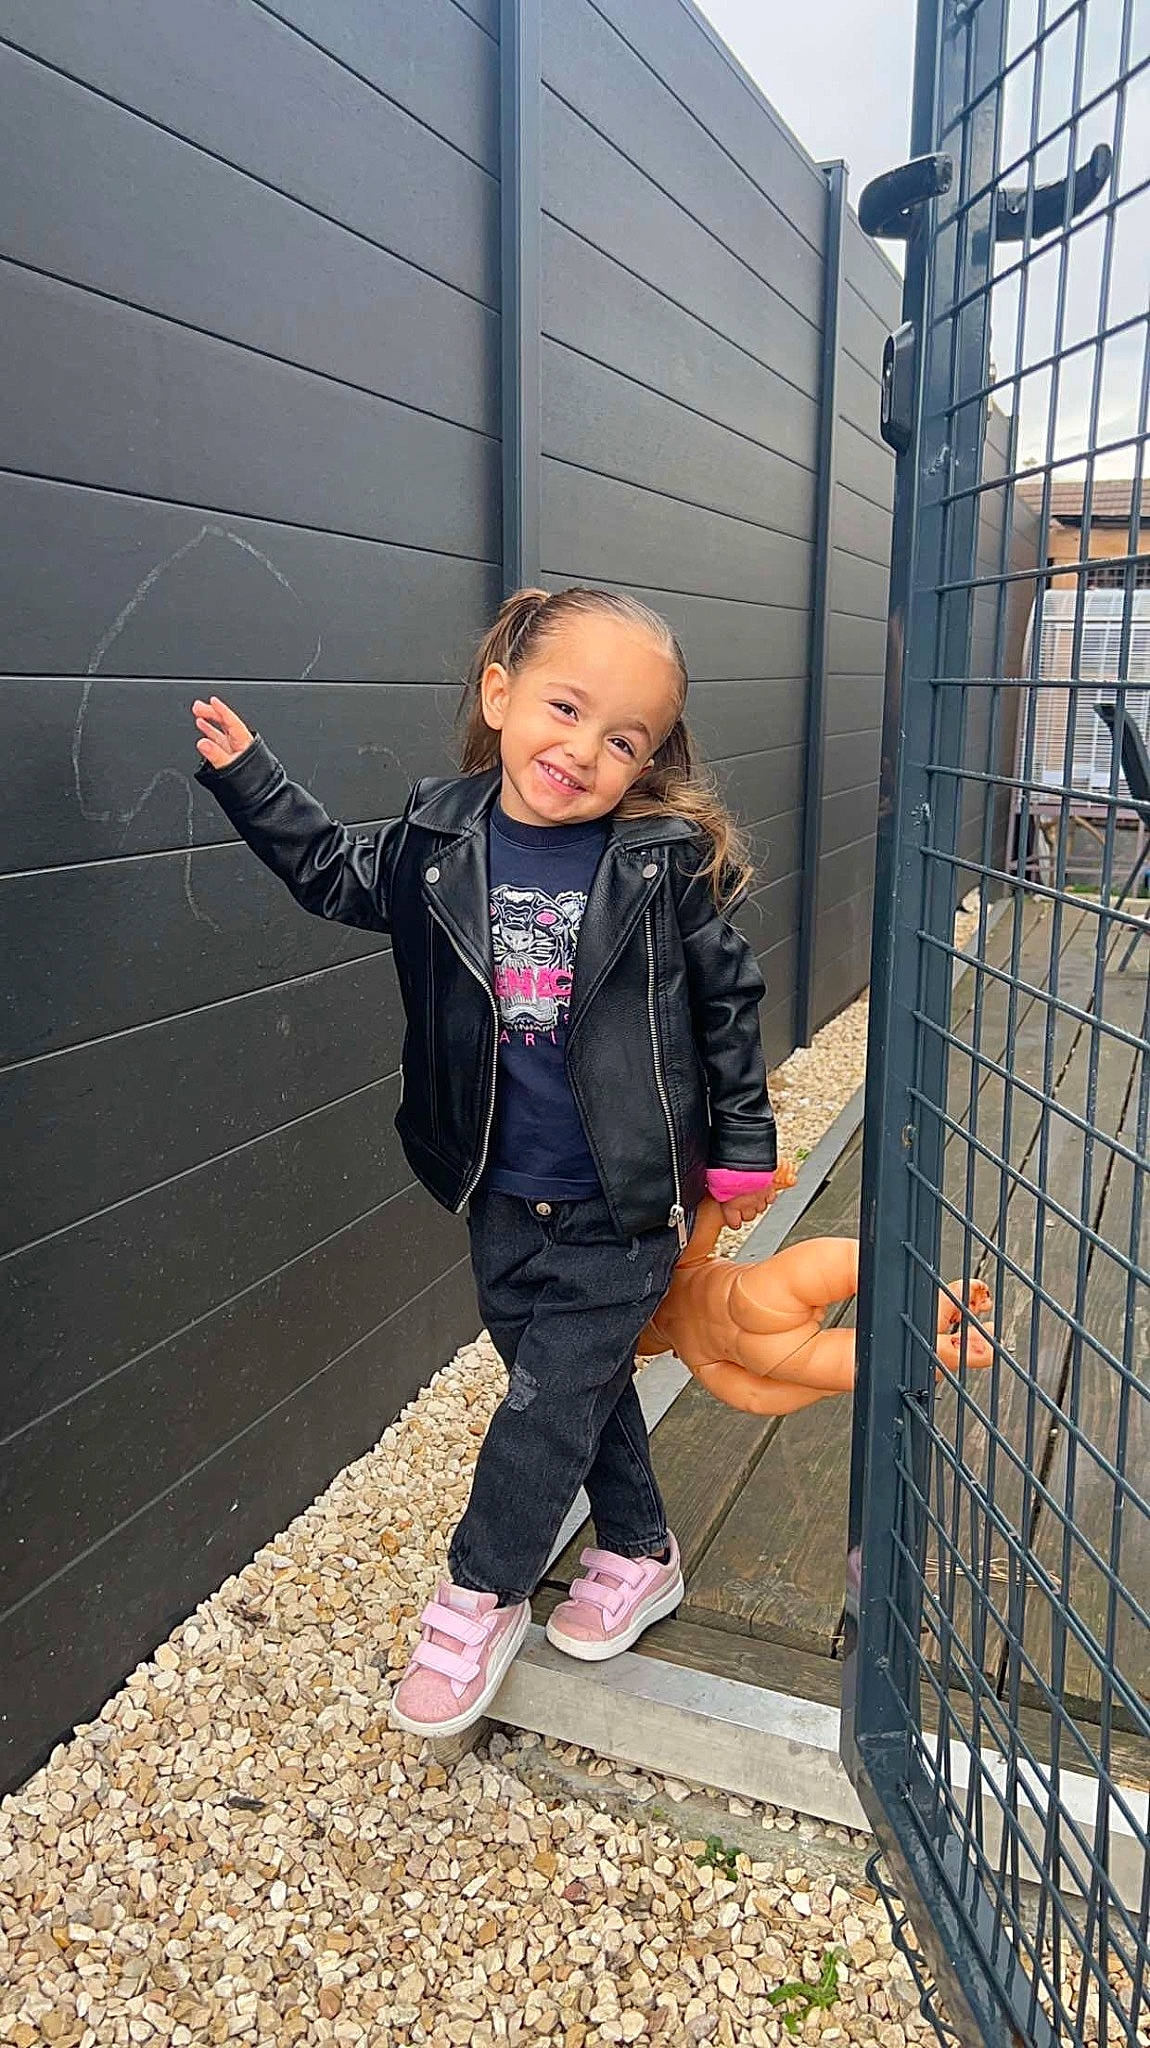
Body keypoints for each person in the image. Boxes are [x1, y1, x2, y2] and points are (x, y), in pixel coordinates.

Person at [192, 586, 779, 1739]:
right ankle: (641, 1548)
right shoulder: (437, 840)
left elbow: (727, 1000)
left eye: (624, 739)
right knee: (570, 1382)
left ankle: (480, 1593)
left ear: (650, 759)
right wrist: (254, 779)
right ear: (501, 695)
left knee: (541, 1403)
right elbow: (333, 873)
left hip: (621, 1192)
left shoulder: (658, 863)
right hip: (497, 1185)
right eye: (565, 708)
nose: (585, 749)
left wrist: (743, 1150)